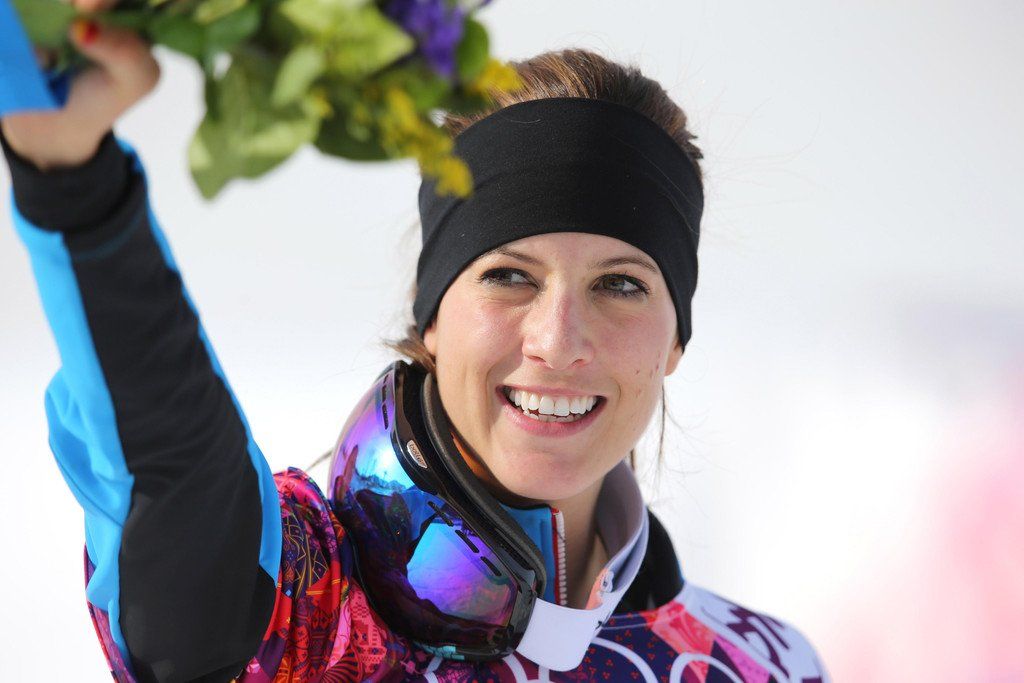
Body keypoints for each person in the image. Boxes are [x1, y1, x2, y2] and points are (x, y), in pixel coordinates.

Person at [2, 2, 831, 681]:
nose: (558, 340)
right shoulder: (304, 607)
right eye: (510, 276)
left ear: (676, 337)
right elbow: (173, 466)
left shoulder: (764, 664)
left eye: (620, 285)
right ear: (432, 315)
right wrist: (75, 185)